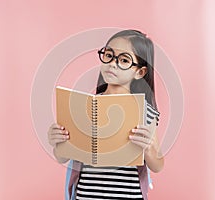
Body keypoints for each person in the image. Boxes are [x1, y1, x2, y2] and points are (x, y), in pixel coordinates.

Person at [48, 29, 164, 200]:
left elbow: (158, 166)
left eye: (124, 60)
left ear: (140, 72)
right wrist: (58, 141)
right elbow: (62, 157)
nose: (112, 63)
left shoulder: (146, 112)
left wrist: (148, 148)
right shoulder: (85, 107)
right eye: (109, 55)